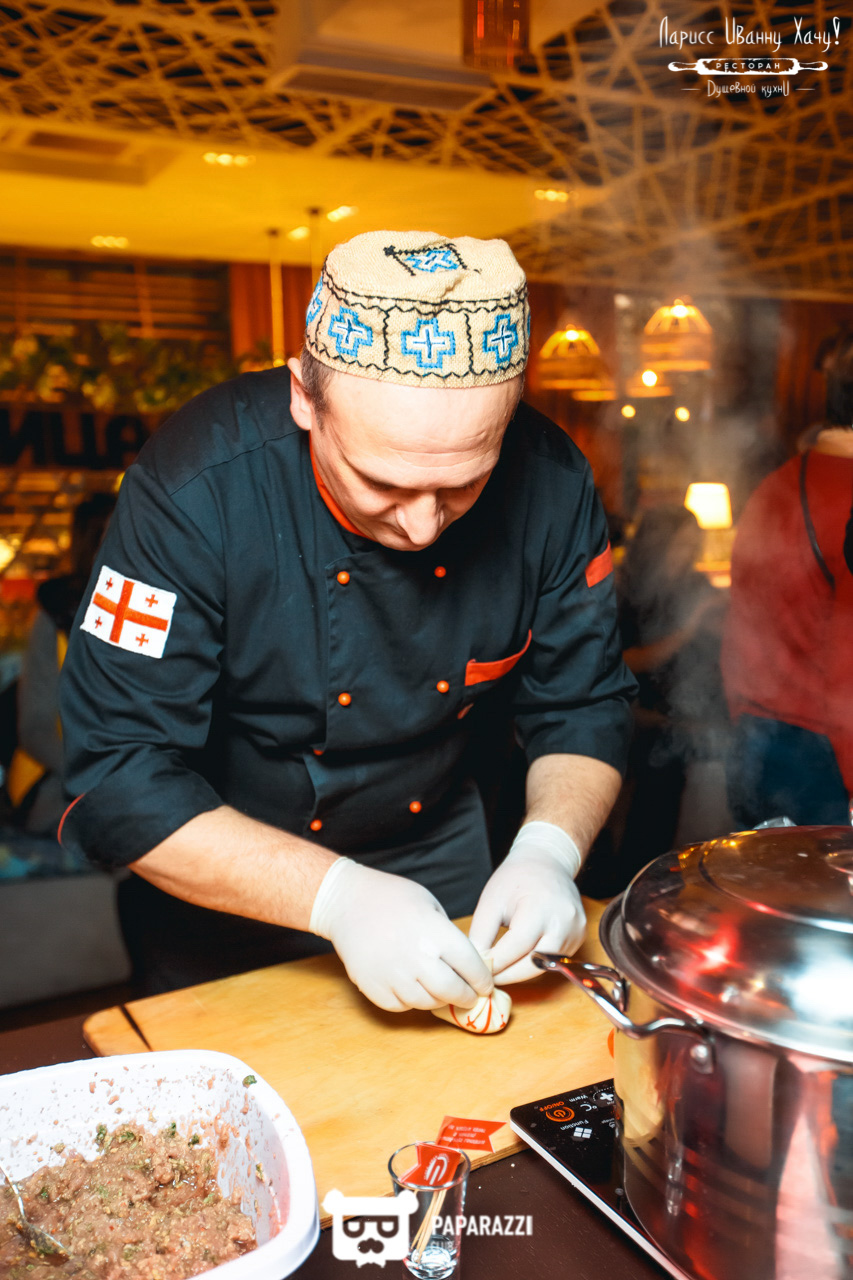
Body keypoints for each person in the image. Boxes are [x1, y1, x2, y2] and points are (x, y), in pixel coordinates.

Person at [59, 231, 636, 1004]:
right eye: (382, 483)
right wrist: (339, 899)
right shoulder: (196, 486)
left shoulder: (553, 485)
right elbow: (117, 773)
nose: (423, 527)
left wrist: (548, 851)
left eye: (463, 484)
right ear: (304, 396)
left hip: (438, 853)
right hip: (220, 867)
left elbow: (583, 703)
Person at [722, 339, 853, 827]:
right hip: (828, 763)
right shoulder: (846, 497)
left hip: (755, 744)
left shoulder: (772, 486)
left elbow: (739, 630)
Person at [581, 506, 726, 896]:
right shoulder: (624, 590)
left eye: (695, 544)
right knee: (632, 818)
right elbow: (623, 663)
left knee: (669, 817)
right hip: (632, 717)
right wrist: (688, 629)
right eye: (683, 545)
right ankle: (622, 892)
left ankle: (660, 891)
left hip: (675, 718)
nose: (691, 553)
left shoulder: (694, 584)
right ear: (658, 546)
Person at [10, 493, 115, 837]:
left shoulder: (145, 614)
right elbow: (35, 729)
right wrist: (102, 776)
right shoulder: (55, 618)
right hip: (61, 793)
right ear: (90, 546)